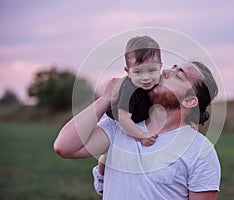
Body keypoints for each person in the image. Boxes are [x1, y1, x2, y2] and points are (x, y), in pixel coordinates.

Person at [54, 57, 221, 199]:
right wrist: (106, 98)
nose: (164, 72)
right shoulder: (119, 124)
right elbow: (65, 147)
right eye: (171, 68)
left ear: (189, 101)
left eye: (178, 76)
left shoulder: (200, 151)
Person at [93, 35, 163, 195]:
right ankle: (100, 175)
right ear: (128, 71)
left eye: (152, 70)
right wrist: (141, 136)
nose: (146, 78)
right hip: (116, 118)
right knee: (108, 152)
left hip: (137, 116)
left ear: (160, 67)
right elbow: (123, 118)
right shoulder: (128, 89)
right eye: (138, 72)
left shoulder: (159, 83)